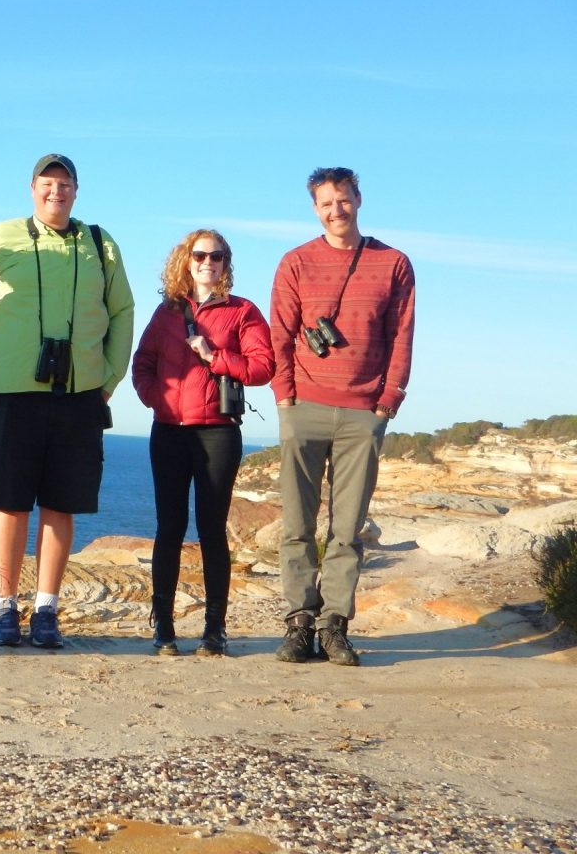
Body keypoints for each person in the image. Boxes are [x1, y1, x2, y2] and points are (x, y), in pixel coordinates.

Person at [0, 154, 134, 649]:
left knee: (60, 504)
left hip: (79, 393)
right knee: (9, 505)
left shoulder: (99, 242)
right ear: (32, 188)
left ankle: (47, 609)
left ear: (77, 190)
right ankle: (4, 609)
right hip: (12, 391)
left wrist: (109, 377)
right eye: (48, 183)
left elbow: (122, 310)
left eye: (66, 183)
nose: (58, 191)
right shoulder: (0, 237)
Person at [270, 167, 416, 667]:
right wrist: (285, 398)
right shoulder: (296, 262)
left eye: (343, 199)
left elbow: (402, 334)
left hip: (362, 412)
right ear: (315, 207)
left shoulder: (393, 263)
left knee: (347, 528)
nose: (337, 209)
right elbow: (279, 333)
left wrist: (388, 399)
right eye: (326, 202)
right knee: (296, 524)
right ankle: (299, 623)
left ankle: (334, 625)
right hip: (303, 409)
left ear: (359, 198)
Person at [131, 230, 274, 656]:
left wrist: (215, 357)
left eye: (217, 256)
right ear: (186, 261)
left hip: (218, 432)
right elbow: (142, 365)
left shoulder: (243, 311)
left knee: (212, 531)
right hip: (170, 431)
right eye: (200, 255)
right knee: (168, 530)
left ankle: (215, 629)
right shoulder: (166, 313)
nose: (207, 262)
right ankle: (165, 627)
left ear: (226, 263)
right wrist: (158, 400)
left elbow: (263, 366)